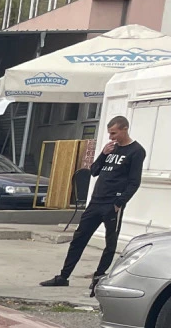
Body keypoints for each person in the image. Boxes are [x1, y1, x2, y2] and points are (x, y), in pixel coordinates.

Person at [41, 116, 145, 287]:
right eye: (109, 133)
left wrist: (120, 202)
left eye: (114, 133)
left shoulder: (136, 151)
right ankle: (63, 276)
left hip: (112, 203)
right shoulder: (110, 149)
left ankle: (98, 277)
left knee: (110, 242)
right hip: (96, 202)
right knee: (79, 238)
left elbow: (135, 181)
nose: (111, 137)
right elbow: (94, 171)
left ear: (125, 129)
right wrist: (103, 154)